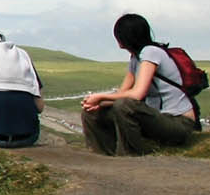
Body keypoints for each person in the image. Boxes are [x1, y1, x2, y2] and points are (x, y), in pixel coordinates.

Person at [79, 13, 198, 156]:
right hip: (157, 119)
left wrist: (100, 96)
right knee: (92, 112)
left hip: (178, 122)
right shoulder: (136, 58)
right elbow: (121, 92)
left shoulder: (150, 53)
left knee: (124, 106)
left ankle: (132, 153)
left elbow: (137, 94)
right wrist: (96, 104)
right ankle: (104, 155)